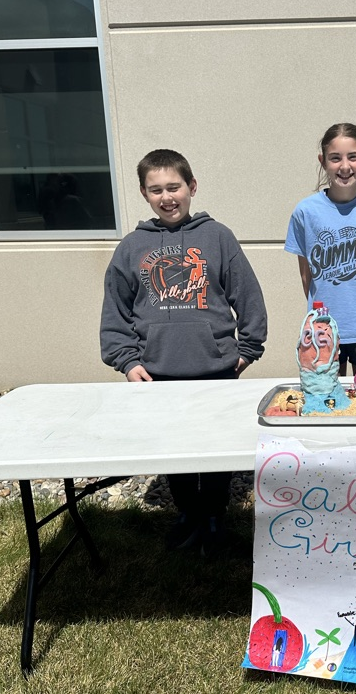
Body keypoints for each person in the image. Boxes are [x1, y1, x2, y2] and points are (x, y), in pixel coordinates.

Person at [100, 148, 268, 556]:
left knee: (216, 450)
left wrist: (246, 349)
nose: (167, 196)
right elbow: (115, 311)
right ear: (144, 193)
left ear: (191, 187)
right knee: (173, 450)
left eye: (173, 186)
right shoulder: (132, 247)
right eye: (156, 189)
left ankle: (214, 516)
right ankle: (186, 515)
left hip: (215, 369)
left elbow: (248, 297)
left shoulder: (217, 237)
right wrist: (128, 361)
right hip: (158, 373)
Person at [284, 123, 356, 375]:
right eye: (335, 158)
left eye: (353, 157)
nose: (345, 166)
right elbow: (307, 276)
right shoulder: (305, 212)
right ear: (323, 161)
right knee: (325, 399)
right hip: (323, 328)